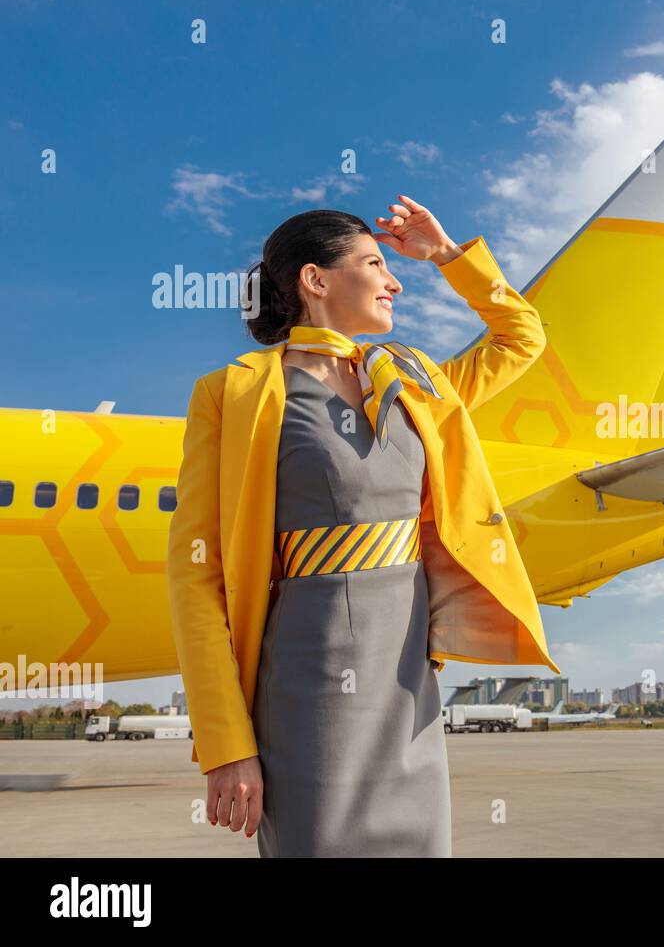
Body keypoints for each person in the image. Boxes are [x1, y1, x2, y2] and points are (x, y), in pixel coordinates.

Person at [167, 197, 561, 856]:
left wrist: (446, 256)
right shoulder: (232, 394)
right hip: (305, 690)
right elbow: (195, 577)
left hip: (408, 688)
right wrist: (225, 745)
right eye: (376, 263)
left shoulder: (415, 378)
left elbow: (523, 338)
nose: (394, 281)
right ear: (315, 281)